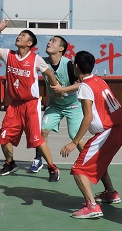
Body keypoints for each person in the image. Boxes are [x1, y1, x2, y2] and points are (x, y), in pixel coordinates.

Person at [0, 20, 63, 179]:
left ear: (29, 43)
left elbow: (49, 73)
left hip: (31, 104)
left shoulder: (36, 59)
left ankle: (52, 168)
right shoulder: (8, 54)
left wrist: (56, 88)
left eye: (23, 36)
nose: (19, 37)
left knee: (37, 139)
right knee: (4, 137)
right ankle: (10, 163)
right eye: (19, 34)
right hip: (14, 105)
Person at [60, 50, 122, 219]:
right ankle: (111, 193)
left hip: (107, 133)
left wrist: (74, 142)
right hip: (119, 130)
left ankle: (92, 206)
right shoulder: (98, 80)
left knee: (78, 169)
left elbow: (88, 117)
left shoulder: (85, 86)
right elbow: (116, 103)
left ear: (76, 66)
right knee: (98, 163)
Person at [27, 36, 82, 181]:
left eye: (54, 41)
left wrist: (63, 89)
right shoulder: (41, 61)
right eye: (49, 40)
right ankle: (38, 158)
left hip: (72, 105)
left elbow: (81, 84)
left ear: (61, 48)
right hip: (54, 104)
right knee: (43, 131)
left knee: (75, 135)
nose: (49, 42)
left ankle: (88, 160)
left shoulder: (69, 64)